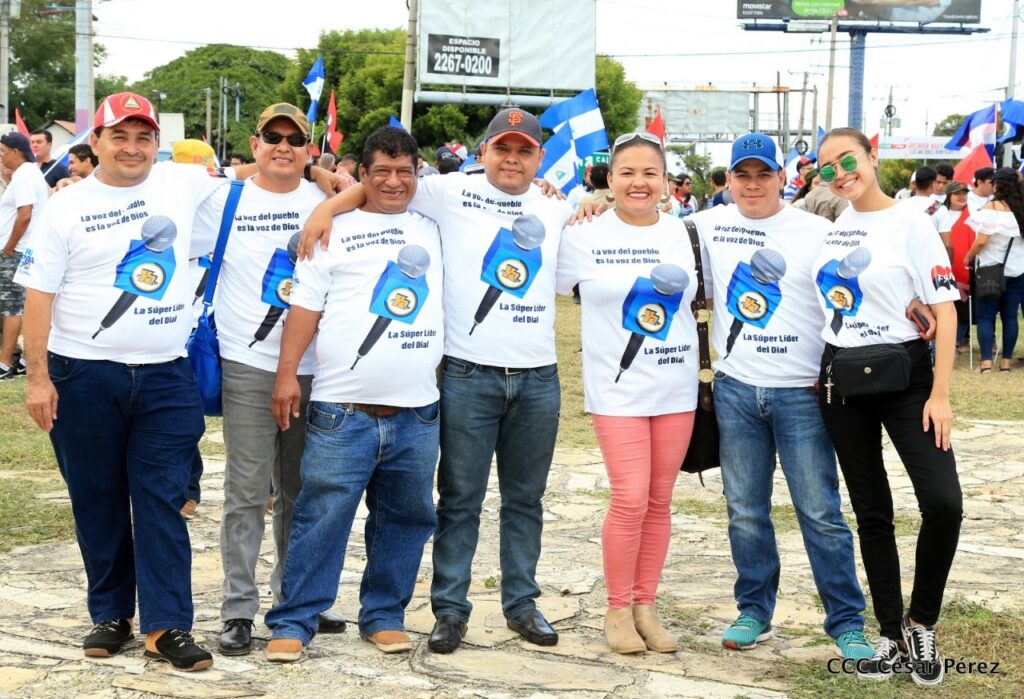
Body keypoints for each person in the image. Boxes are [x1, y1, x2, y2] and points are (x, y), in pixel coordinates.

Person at [299, 108, 572, 655]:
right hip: (467, 373)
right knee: (458, 498)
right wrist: (325, 207)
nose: (513, 159)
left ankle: (521, 602)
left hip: (539, 376)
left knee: (526, 499)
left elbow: (596, 220)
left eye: (524, 151)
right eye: (502, 148)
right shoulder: (446, 191)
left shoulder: (556, 205)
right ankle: (450, 609)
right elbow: (380, 186)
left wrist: (590, 201)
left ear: (540, 159)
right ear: (483, 152)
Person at [15, 92, 233, 671]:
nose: (132, 148)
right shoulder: (64, 205)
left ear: (157, 144)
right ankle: (111, 613)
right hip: (81, 374)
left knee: (163, 499)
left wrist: (323, 179)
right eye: (120, 136)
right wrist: (37, 380)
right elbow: (39, 295)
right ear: (96, 143)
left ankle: (168, 626)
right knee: (98, 498)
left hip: (165, 376)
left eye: (143, 137)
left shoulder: (183, 184)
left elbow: (264, 177)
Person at [687, 133, 871, 662]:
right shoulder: (705, 225)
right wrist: (589, 200)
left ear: (782, 178)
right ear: (729, 180)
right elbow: (643, 221)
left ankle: (845, 621)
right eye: (742, 175)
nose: (752, 185)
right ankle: (755, 611)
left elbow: (859, 277)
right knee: (745, 510)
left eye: (763, 174)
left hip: (803, 394)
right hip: (737, 389)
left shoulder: (817, 230)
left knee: (820, 512)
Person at [263, 125, 443, 661]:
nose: (393, 182)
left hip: (417, 412)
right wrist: (286, 373)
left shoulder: (434, 227)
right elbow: (306, 307)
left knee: (407, 516)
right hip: (342, 410)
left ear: (417, 175)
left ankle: (384, 613)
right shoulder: (330, 230)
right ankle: (294, 620)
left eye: (404, 172)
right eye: (381, 172)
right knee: (323, 515)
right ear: (361, 176)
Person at [191, 103, 353, 656]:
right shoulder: (224, 200)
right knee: (245, 492)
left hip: (317, 369)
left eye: (295, 138)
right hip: (247, 363)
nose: (283, 146)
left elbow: (370, 192)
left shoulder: (326, 202)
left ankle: (295, 599)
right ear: (255, 142)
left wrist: (329, 181)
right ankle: (238, 610)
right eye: (272, 137)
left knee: (301, 494)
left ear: (310, 147)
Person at [813, 127, 961, 686]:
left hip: (907, 380)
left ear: (871, 158)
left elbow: (945, 312)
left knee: (942, 502)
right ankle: (892, 634)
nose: (838, 173)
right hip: (842, 383)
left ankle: (923, 620)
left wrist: (940, 394)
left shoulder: (912, 222)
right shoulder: (833, 229)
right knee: (871, 512)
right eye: (826, 168)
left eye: (846, 160)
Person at [557, 131, 698, 654]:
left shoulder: (687, 233)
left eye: (650, 173)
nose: (639, 183)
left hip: (676, 387)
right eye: (627, 173)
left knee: (660, 501)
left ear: (664, 182)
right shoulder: (581, 235)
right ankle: (617, 609)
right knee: (630, 497)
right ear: (608, 179)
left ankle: (646, 604)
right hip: (615, 391)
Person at [963, 168, 1024, 374]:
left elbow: (981, 241)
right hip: (1017, 271)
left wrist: (968, 257)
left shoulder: (992, 208)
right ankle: (1006, 363)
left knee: (986, 316)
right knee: (1010, 317)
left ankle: (986, 362)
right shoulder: (1021, 209)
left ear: (998, 185)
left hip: (990, 271)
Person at [0, 132, 49, 380]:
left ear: (15, 152)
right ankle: (14, 359)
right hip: (20, 249)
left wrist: (9, 246)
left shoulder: (24, 175)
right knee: (11, 305)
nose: (1, 157)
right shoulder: (26, 174)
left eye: (2, 152)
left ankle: (5, 363)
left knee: (11, 307)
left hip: (17, 251)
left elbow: (25, 214)